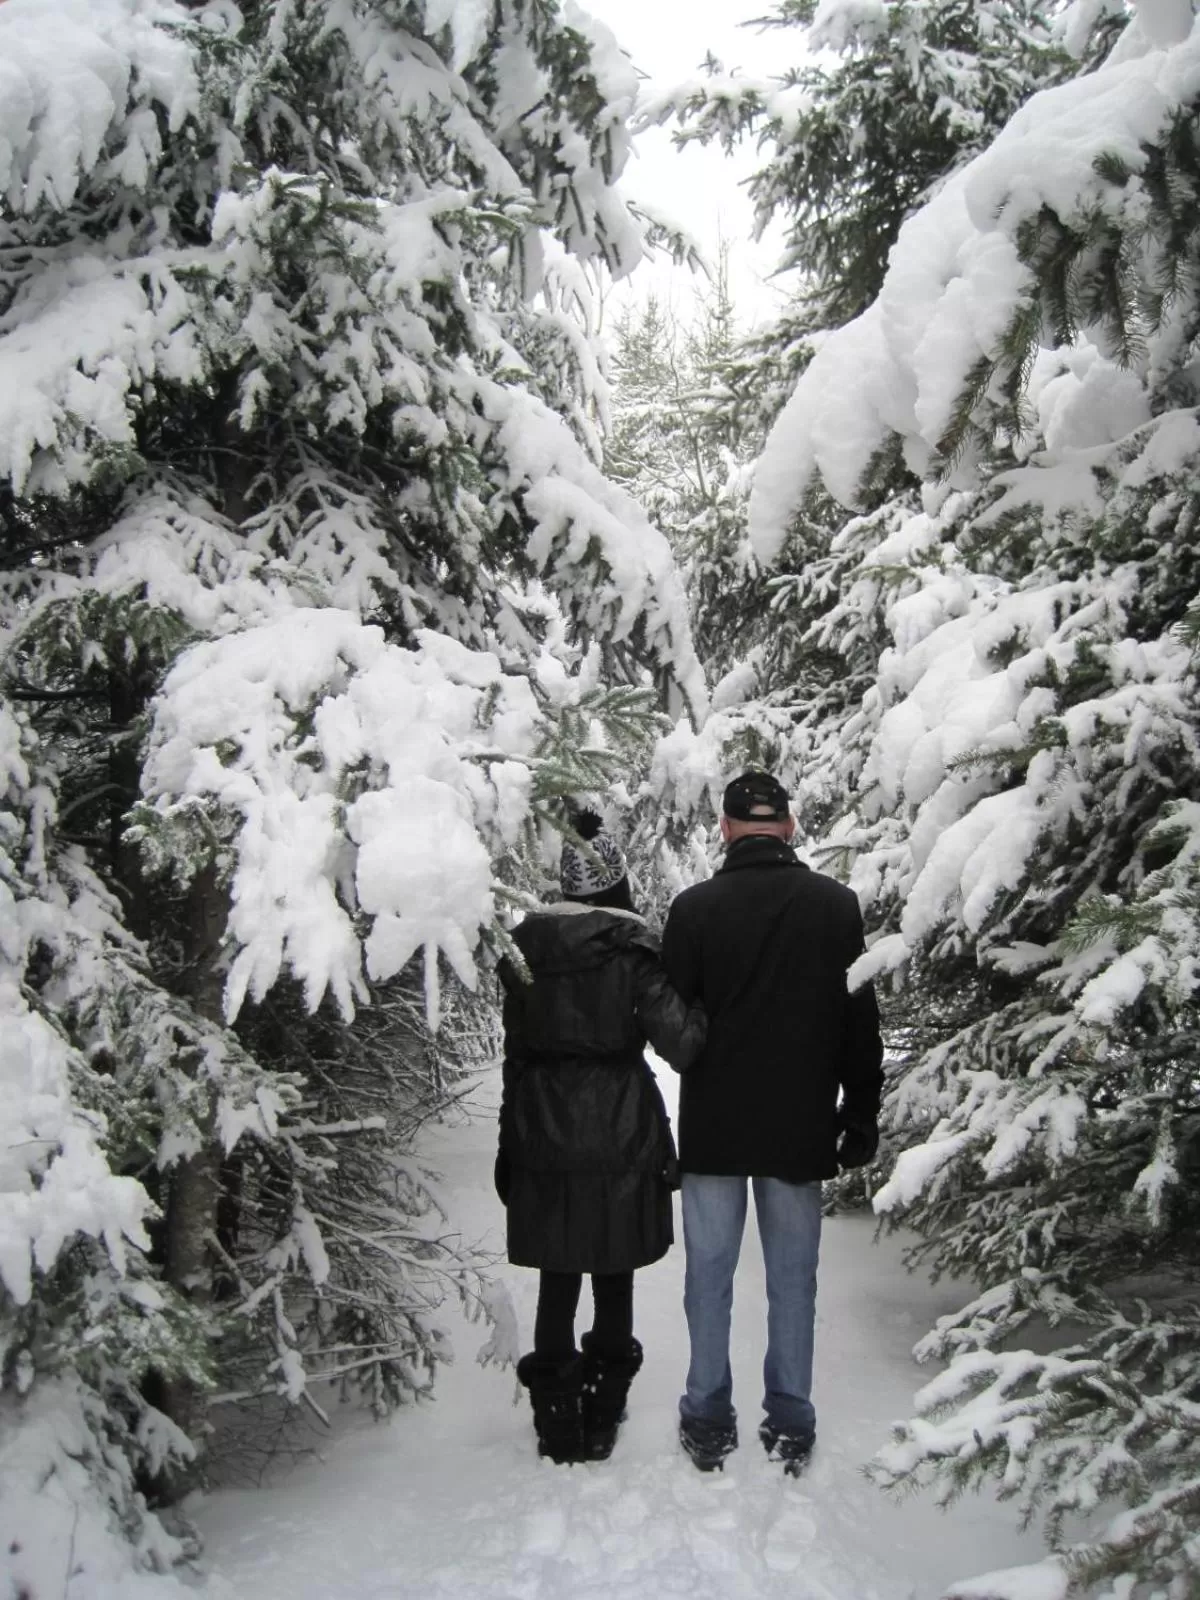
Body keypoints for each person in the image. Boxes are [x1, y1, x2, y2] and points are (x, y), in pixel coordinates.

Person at [661, 769, 883, 1475]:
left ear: (725, 830)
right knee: (794, 1278)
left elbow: (672, 1021)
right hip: (800, 1123)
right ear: (789, 825)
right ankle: (790, 1420)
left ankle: (706, 1415)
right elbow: (859, 1023)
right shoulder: (836, 905)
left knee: (709, 1277)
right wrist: (861, 1113)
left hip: (714, 1128)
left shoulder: (693, 910)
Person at [496, 809, 706, 1465]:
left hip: (541, 1120)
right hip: (619, 1122)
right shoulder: (633, 950)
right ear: (616, 884)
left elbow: (516, 1051)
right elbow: (685, 1043)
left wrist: (511, 1135)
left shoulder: (525, 947)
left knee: (558, 1273)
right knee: (614, 1270)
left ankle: (556, 1419)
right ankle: (603, 1410)